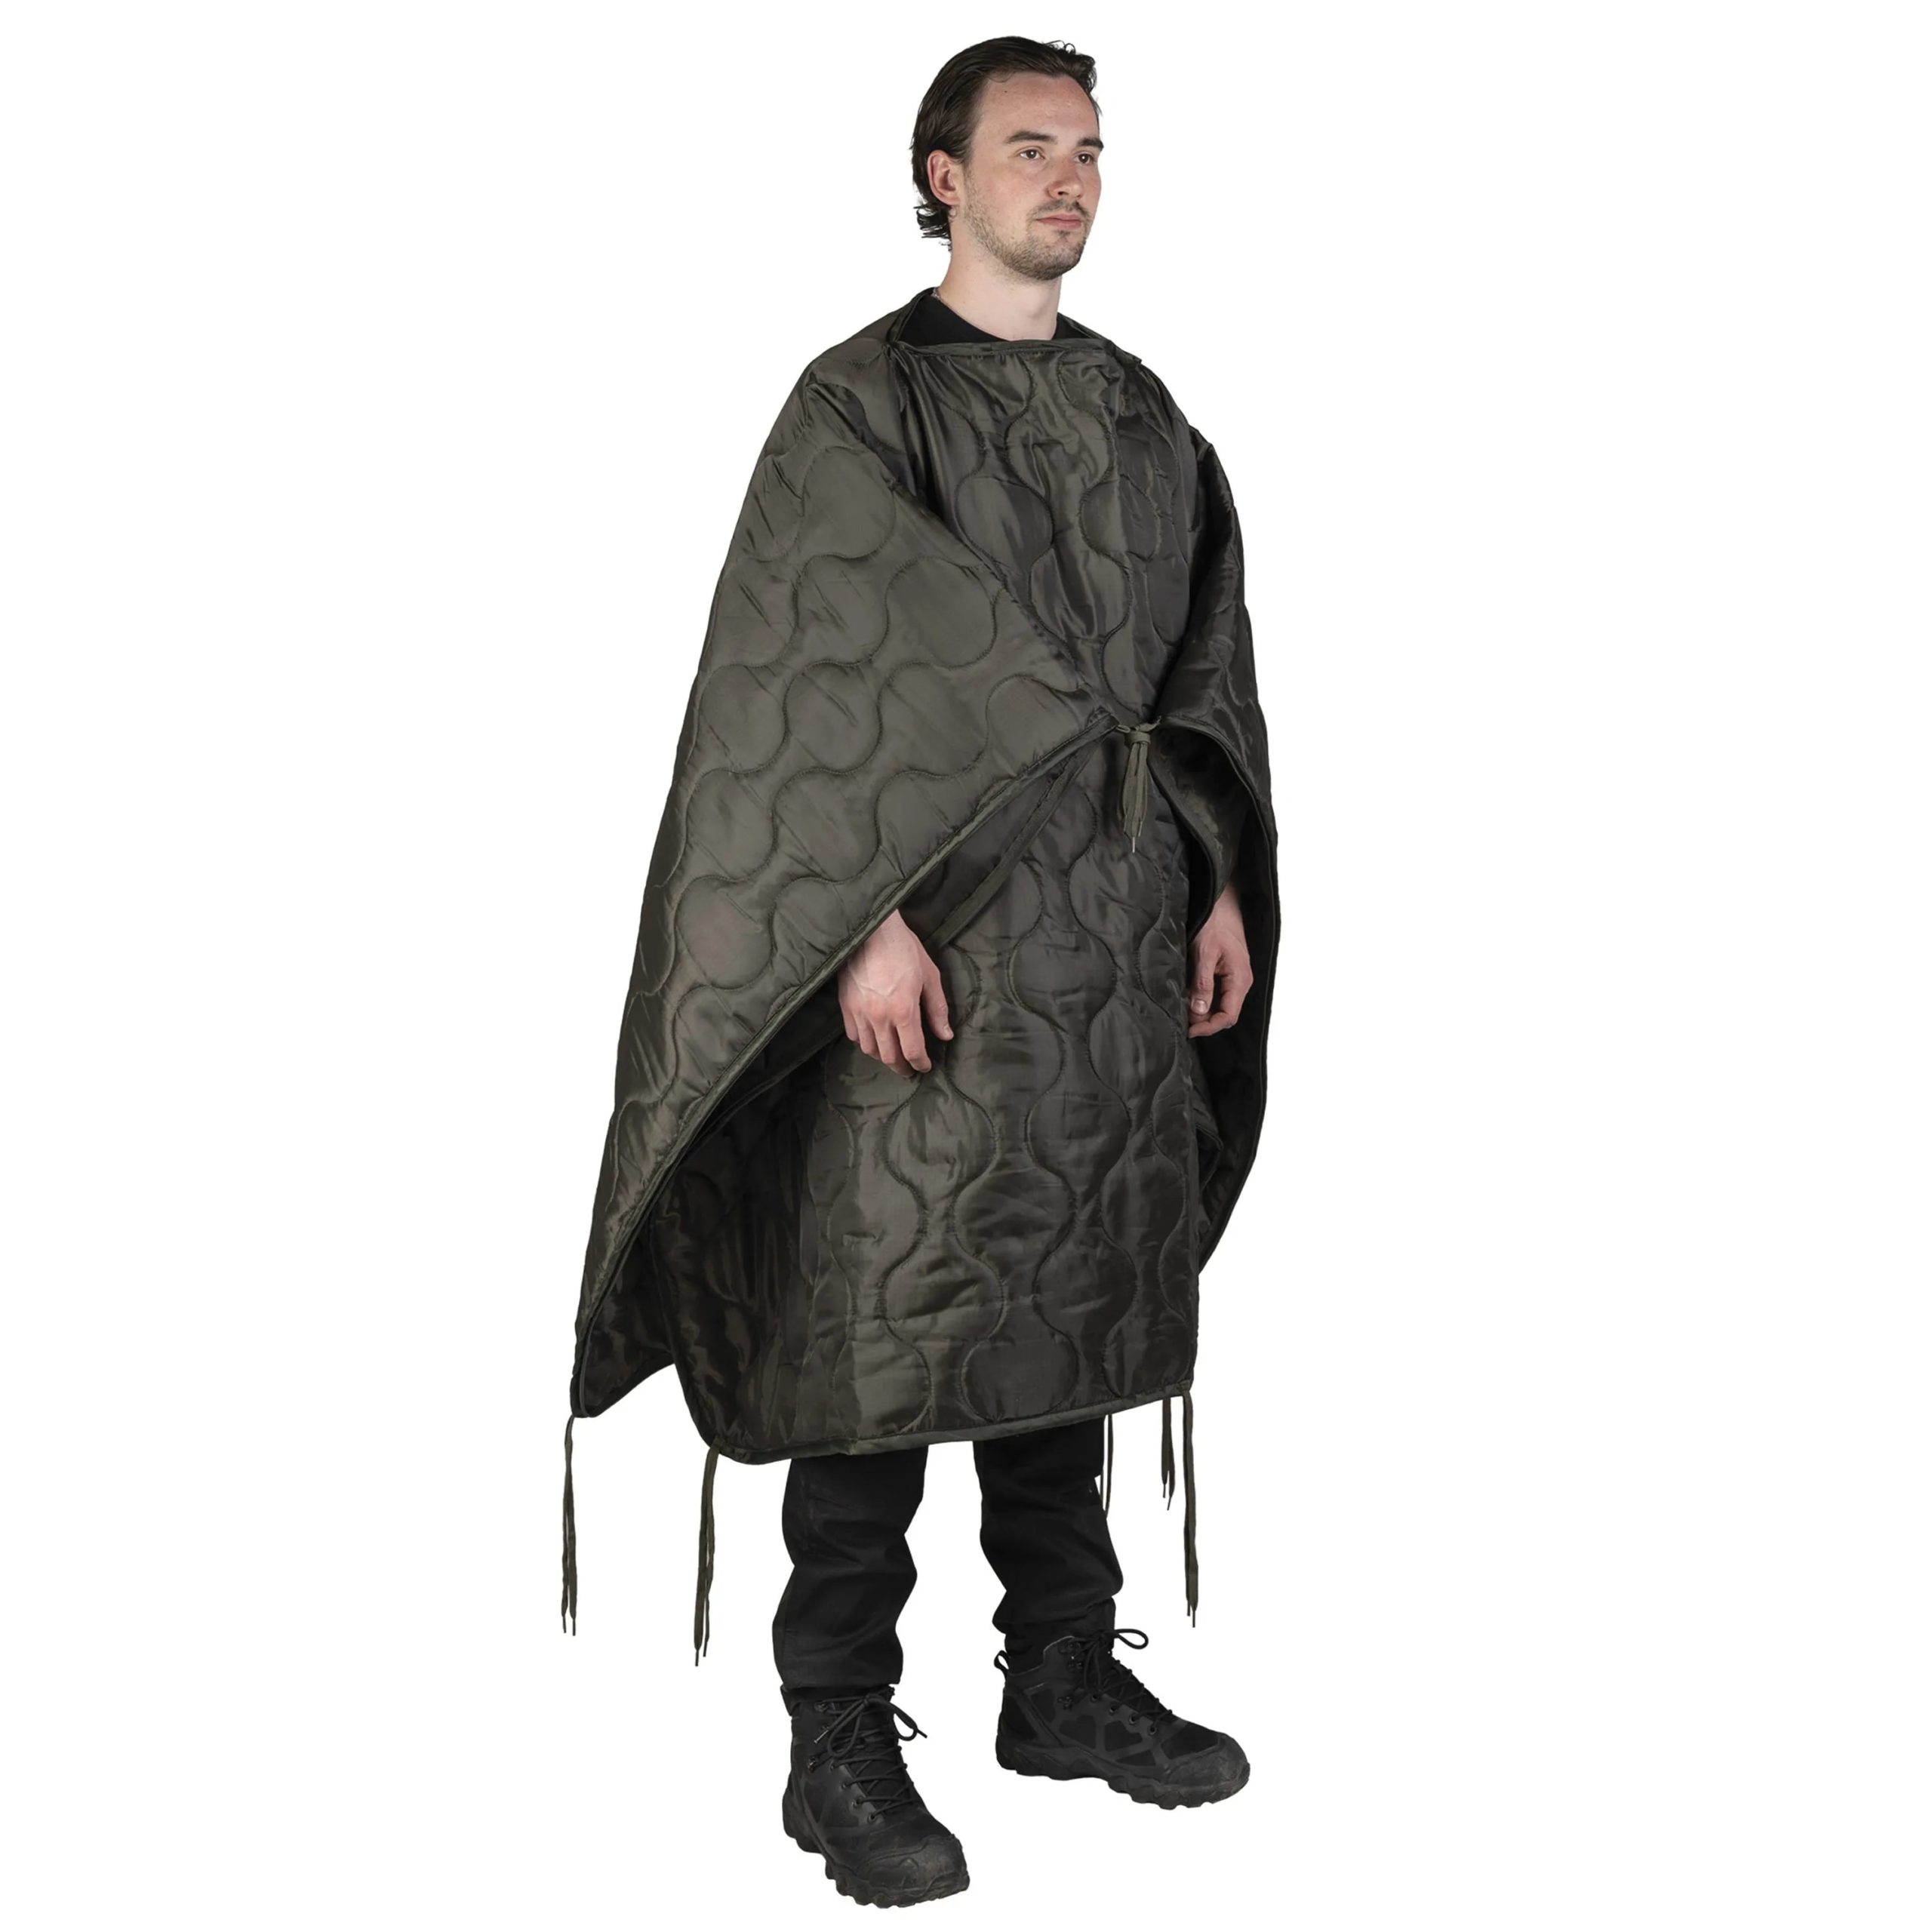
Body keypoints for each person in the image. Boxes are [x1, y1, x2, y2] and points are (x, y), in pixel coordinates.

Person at [563, 35, 1279, 1909]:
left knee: (1070, 1304)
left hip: (1108, 941)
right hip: (921, 954)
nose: (1070, 178)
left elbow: (1199, 664)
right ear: (941, 175)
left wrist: (1211, 880)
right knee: (877, 1336)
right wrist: (854, 919)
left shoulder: (1138, 410)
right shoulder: (857, 406)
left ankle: (1061, 1676)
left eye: (1090, 149)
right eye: (1029, 147)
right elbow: (798, 680)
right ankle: (834, 1737)